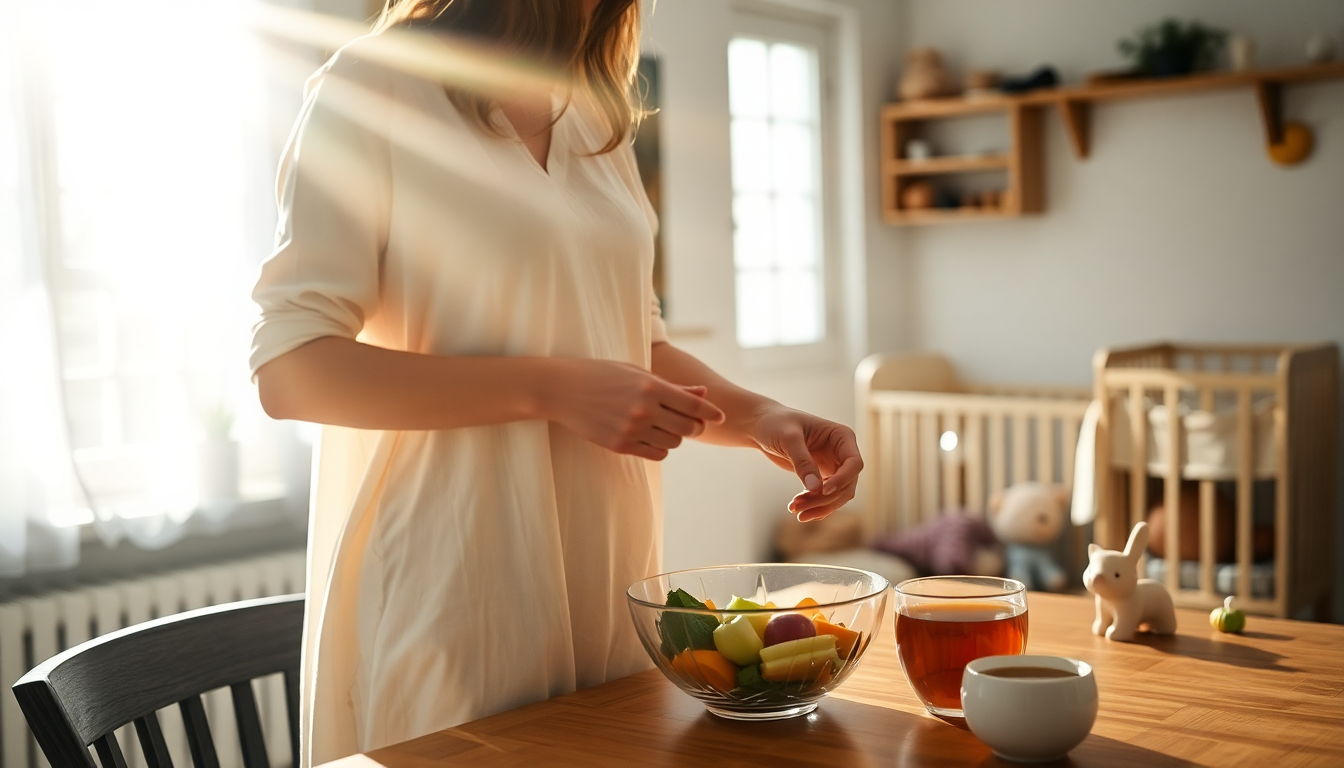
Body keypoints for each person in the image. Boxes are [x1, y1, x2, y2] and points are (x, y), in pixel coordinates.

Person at [250, 0, 862, 762]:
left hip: (608, 573)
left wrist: (763, 415)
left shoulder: (595, 110)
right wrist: (549, 388)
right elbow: (292, 368)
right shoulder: (375, 83)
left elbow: (633, 339)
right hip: (455, 578)